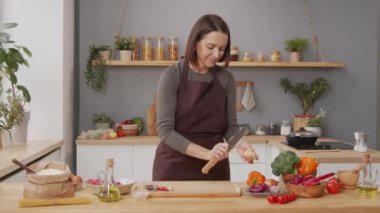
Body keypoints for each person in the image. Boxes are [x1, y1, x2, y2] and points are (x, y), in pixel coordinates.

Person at [152, 14, 254, 181]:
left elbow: (231, 128)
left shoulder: (226, 79)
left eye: (221, 49)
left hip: (214, 168)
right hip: (173, 167)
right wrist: (207, 154)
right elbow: (165, 131)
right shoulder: (172, 75)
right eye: (210, 47)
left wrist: (239, 144)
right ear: (195, 43)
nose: (216, 54)